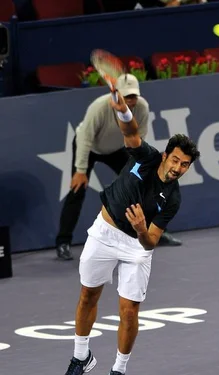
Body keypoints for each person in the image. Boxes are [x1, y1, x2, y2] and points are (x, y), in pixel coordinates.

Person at [58, 89, 200, 375]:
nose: (178, 167)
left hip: (136, 246)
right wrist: (123, 110)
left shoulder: (172, 199)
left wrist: (139, 227)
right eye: (175, 159)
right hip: (105, 231)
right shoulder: (146, 156)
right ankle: (81, 357)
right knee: (87, 296)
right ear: (165, 155)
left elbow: (150, 241)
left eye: (185, 164)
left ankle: (119, 370)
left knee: (130, 312)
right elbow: (131, 133)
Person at [56, 73, 182, 261]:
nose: (130, 101)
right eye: (126, 96)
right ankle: (63, 242)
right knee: (77, 190)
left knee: (144, 186)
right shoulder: (99, 107)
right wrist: (80, 170)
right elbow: (85, 139)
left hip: (118, 149)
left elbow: (140, 139)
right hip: (90, 147)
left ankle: (153, 232)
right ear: (117, 95)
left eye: (133, 96)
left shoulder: (142, 107)